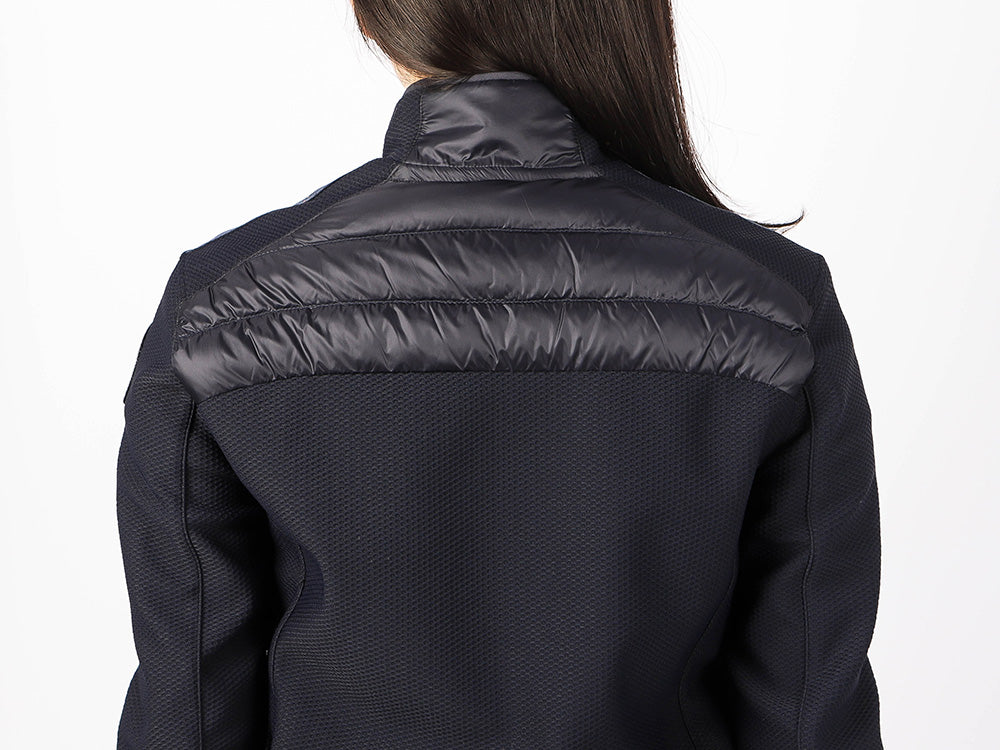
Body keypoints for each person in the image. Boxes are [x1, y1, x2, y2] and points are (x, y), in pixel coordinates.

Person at [114, 1, 883, 748]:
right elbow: (810, 717)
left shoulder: (220, 312)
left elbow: (189, 715)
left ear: (378, 18)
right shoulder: (777, 306)